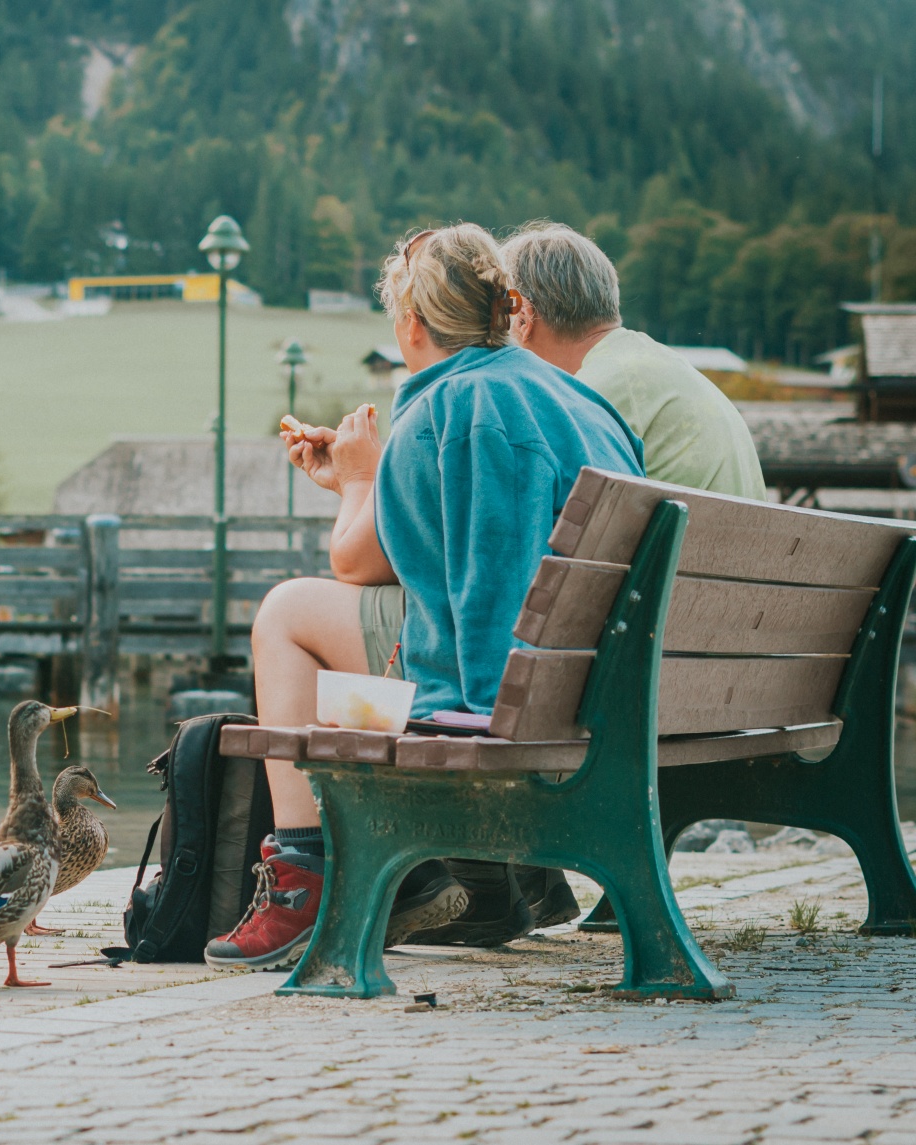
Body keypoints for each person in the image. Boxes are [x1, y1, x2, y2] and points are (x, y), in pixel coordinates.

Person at [204, 224, 645, 972]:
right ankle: (471, 878)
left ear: (411, 324)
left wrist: (358, 481)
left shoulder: (440, 408)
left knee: (285, 613)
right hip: (607, 694)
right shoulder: (582, 402)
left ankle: (304, 875)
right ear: (507, 308)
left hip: (512, 706)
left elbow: (362, 567)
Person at [503, 222, 765, 499]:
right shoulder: (648, 364)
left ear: (524, 317)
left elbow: (528, 502)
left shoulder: (592, 391)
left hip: (692, 543)